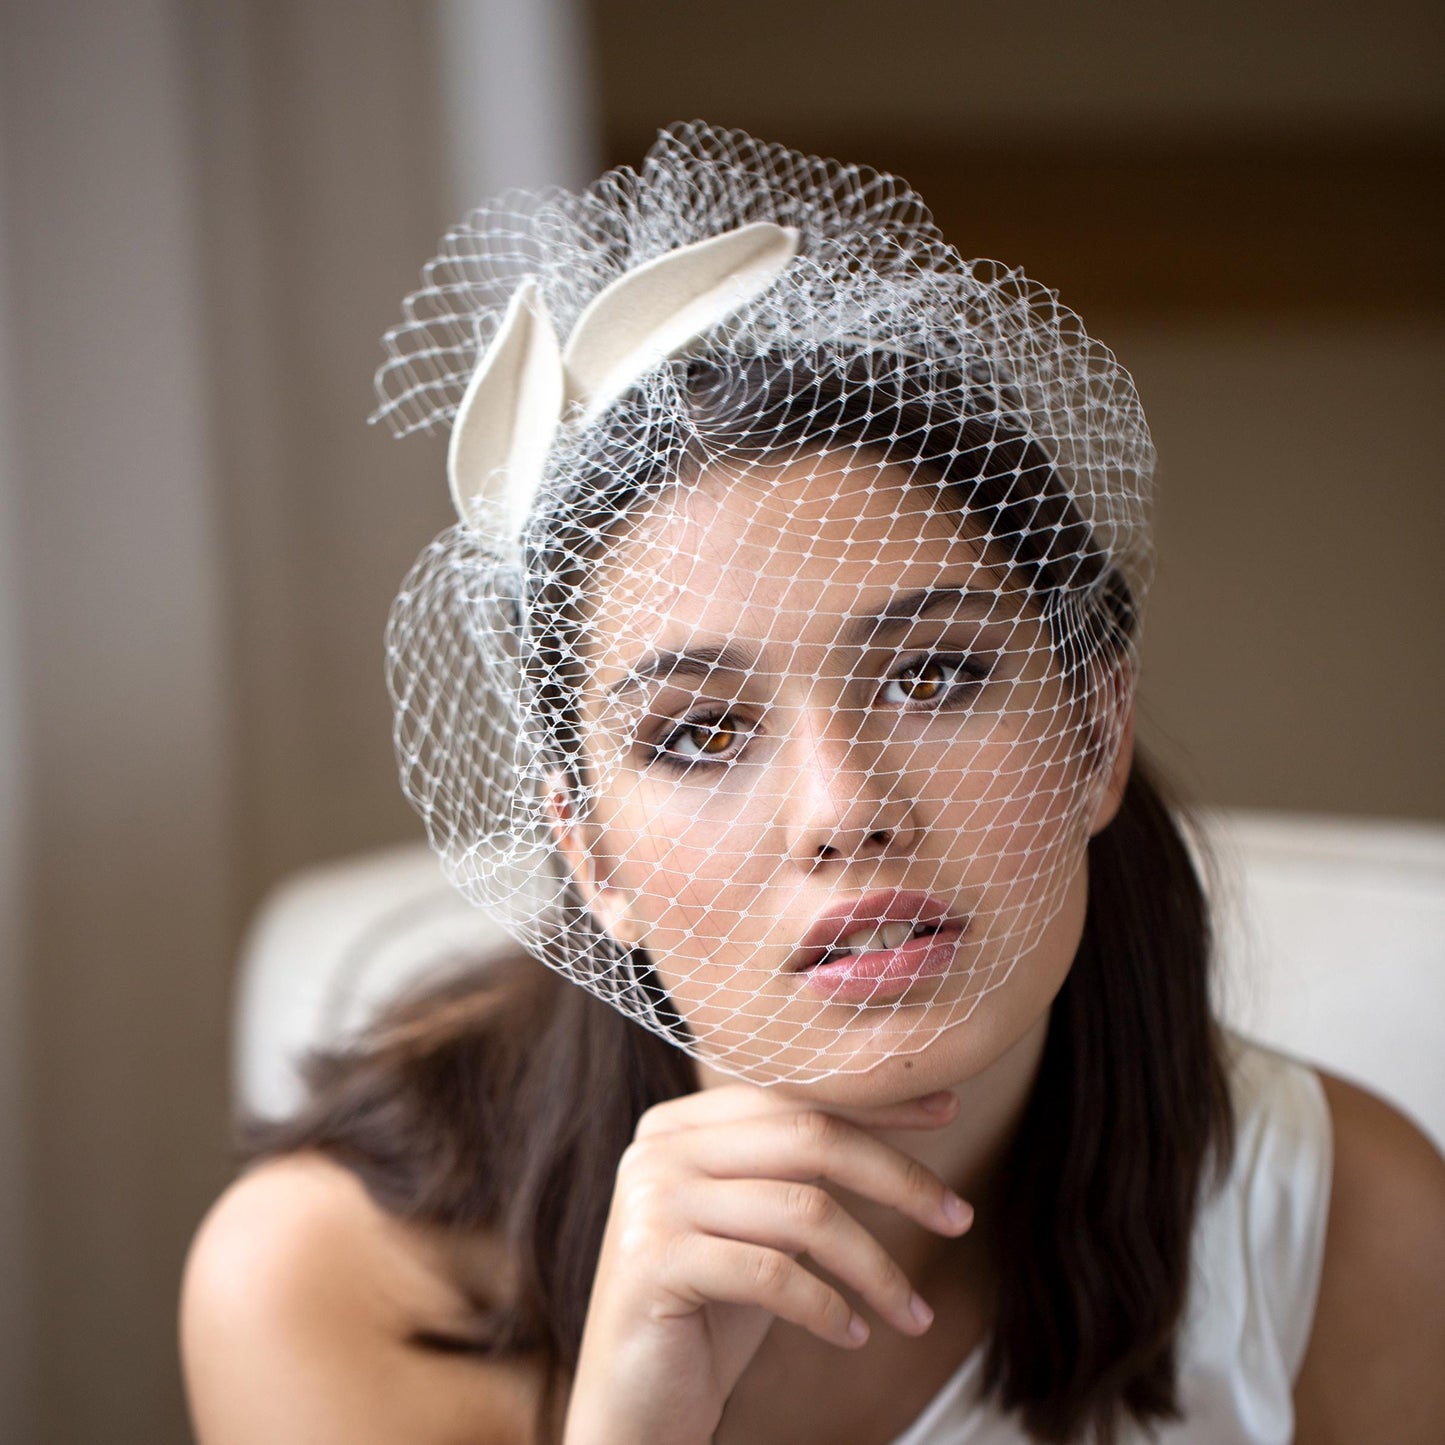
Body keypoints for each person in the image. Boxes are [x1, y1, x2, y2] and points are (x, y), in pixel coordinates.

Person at [180, 124, 1445, 1445]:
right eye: (699, 733)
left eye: (935, 674)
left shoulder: (1353, 1226)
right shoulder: (336, 1282)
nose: (843, 809)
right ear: (590, 852)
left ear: (1092, 729)